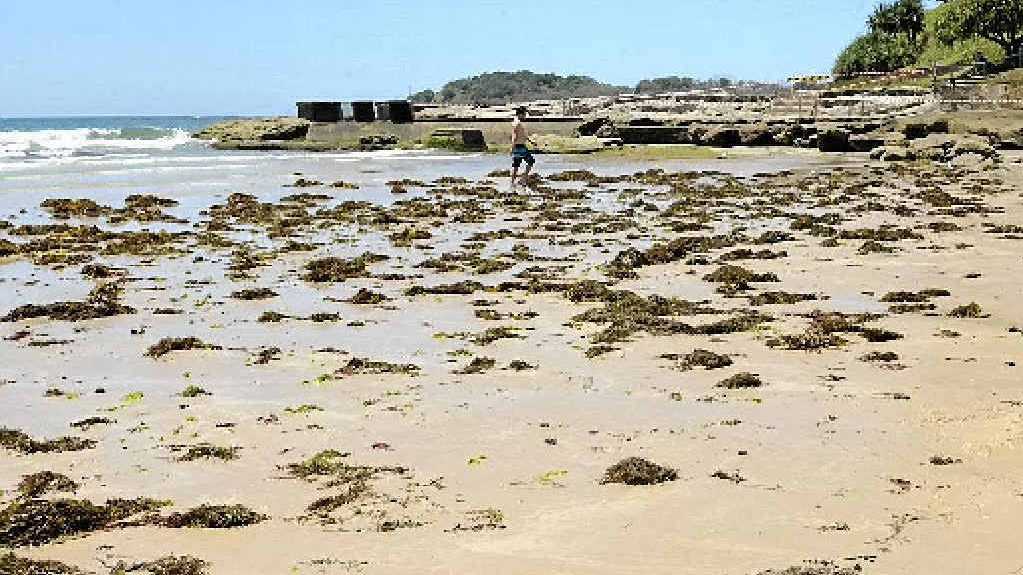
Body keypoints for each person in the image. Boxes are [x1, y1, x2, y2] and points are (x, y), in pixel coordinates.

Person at [510, 106, 535, 189]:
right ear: (520, 114)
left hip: (520, 146)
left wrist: (531, 141)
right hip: (519, 147)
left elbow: (524, 135)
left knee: (516, 165)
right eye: (524, 114)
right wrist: (512, 147)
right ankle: (522, 179)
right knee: (530, 161)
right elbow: (514, 135)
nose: (525, 116)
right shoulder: (517, 123)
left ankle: (513, 183)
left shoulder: (518, 122)